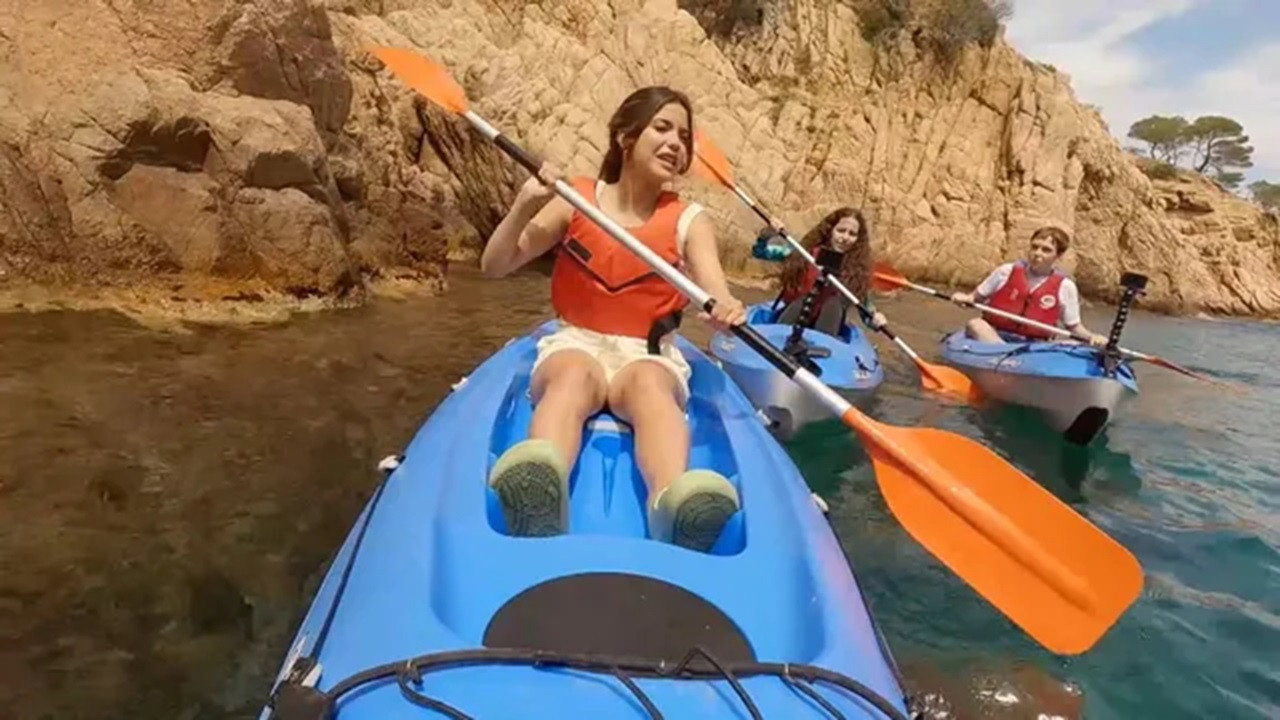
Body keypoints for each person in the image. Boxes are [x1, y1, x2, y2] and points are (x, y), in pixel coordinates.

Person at [478, 86, 748, 553]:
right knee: (573, 377)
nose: (675, 143)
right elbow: (495, 265)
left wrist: (726, 309)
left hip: (646, 353)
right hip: (575, 342)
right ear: (626, 136)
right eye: (662, 128)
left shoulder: (690, 220)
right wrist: (524, 204)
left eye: (684, 137)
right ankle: (541, 488)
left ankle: (670, 505)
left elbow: (716, 291)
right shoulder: (575, 198)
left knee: (649, 388)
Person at [951, 226, 1107, 346]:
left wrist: (1092, 337)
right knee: (975, 324)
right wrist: (965, 298)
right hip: (993, 335)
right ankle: (1003, 354)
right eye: (1034, 247)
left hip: (1034, 345)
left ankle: (1013, 360)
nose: (1037, 253)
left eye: (1046, 250)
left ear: (1058, 256)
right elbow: (974, 298)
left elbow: (1074, 327)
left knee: (1073, 344)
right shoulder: (1006, 271)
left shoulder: (1066, 286)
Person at [771, 207, 887, 337]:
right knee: (804, 300)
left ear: (858, 239)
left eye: (852, 234)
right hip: (795, 315)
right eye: (841, 230)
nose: (845, 237)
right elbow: (761, 251)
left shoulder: (856, 270)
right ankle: (779, 336)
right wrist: (768, 233)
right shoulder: (805, 253)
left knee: (833, 304)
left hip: (827, 326)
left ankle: (823, 343)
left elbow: (866, 309)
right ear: (830, 230)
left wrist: (876, 319)